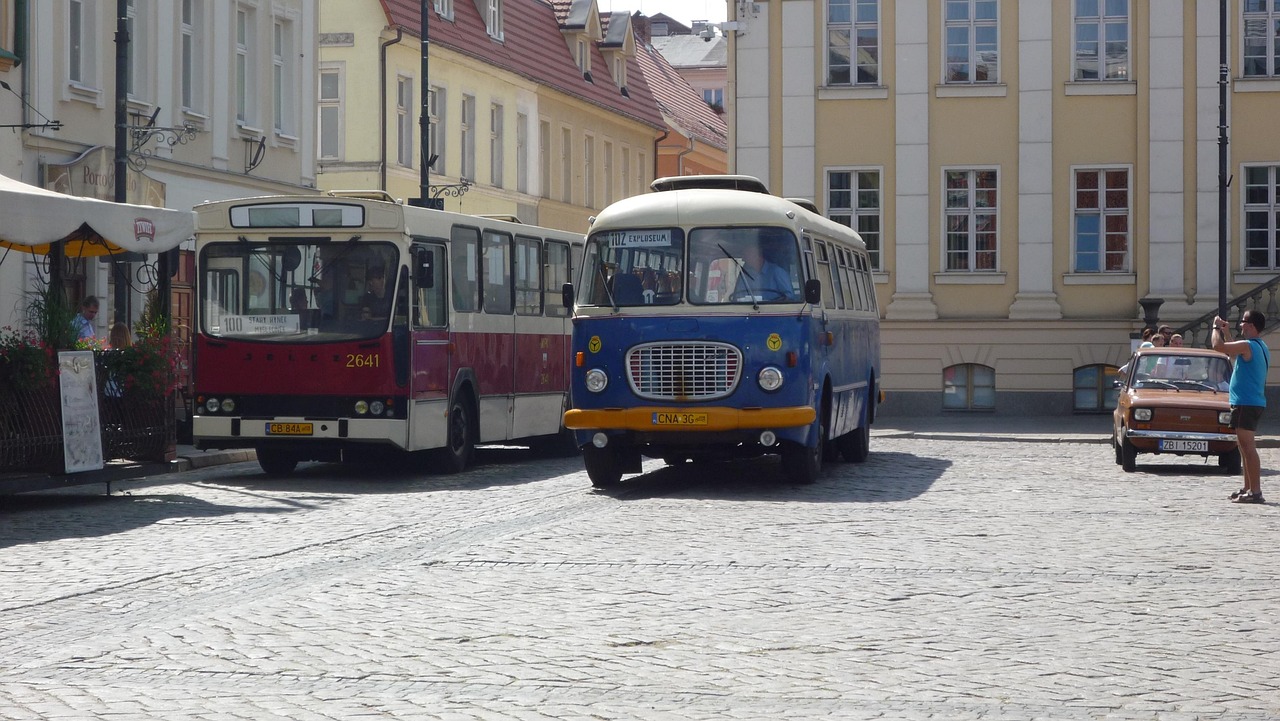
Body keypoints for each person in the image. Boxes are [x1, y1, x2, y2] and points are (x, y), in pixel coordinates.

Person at [1213, 310, 1271, 504]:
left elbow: (1218, 347)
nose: (1240, 325)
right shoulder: (1259, 346)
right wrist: (1227, 331)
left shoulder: (1249, 345)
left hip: (1247, 403)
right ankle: (1248, 488)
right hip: (1247, 402)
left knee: (1248, 448)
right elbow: (1232, 352)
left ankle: (1255, 491)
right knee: (1244, 448)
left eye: (1243, 322)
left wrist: (1215, 327)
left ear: (1252, 325)